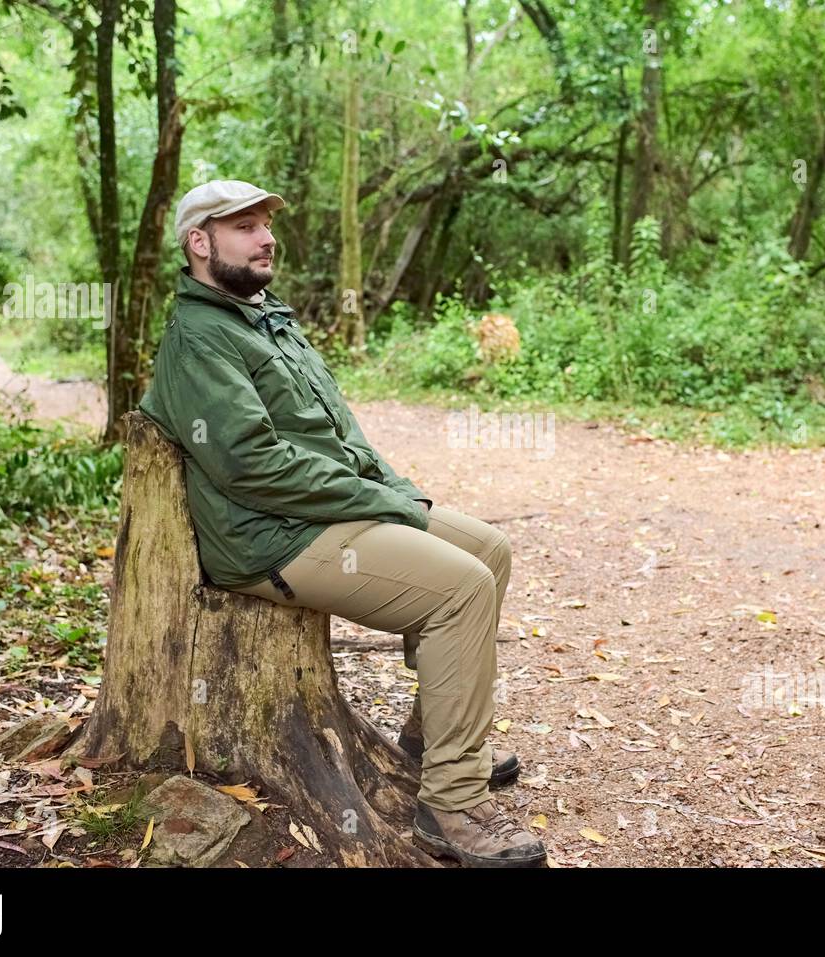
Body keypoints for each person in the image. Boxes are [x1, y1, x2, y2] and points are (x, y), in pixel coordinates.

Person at [137, 179, 546, 867]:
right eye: (244, 227)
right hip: (271, 536)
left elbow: (340, 434)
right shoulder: (201, 338)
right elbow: (253, 466)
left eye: (267, 223)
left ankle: (430, 741)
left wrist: (396, 490)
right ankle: (451, 805)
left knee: (489, 549)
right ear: (199, 243)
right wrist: (380, 503)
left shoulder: (266, 319)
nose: (267, 237)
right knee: (461, 588)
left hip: (320, 509)